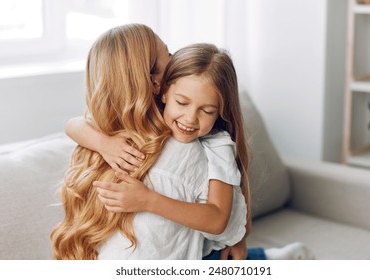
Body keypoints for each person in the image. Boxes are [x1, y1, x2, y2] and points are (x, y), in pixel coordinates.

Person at [65, 28, 315, 260]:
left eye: (206, 110)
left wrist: (147, 200)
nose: (190, 118)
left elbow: (224, 207)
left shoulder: (209, 142)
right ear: (158, 87)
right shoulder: (132, 123)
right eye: (169, 54)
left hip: (202, 245)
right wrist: (103, 143)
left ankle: (282, 258)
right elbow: (73, 124)